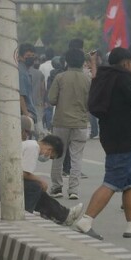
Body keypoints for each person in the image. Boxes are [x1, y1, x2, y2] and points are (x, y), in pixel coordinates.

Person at [72, 47, 131, 240]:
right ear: (125, 62)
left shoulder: (105, 76)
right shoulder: (122, 78)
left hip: (113, 135)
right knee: (112, 181)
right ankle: (86, 221)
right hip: (121, 139)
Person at [0, 131, 80, 226]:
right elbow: (24, 173)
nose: (47, 157)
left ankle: (63, 215)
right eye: (50, 156)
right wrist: (41, 181)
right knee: (35, 187)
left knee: (36, 190)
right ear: (50, 149)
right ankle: (26, 215)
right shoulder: (33, 148)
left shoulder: (30, 145)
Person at [48, 48, 91, 200]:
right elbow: (91, 103)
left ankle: (57, 187)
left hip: (61, 122)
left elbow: (52, 99)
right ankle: (73, 190)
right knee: (77, 158)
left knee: (58, 155)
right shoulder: (88, 79)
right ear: (82, 63)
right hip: (80, 123)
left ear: (66, 61)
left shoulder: (60, 77)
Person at [18, 43, 38, 122]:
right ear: (20, 57)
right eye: (28, 56)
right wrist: (26, 113)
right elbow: (21, 95)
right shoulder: (21, 72)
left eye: (33, 56)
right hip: (26, 113)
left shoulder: (26, 70)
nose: (31, 58)